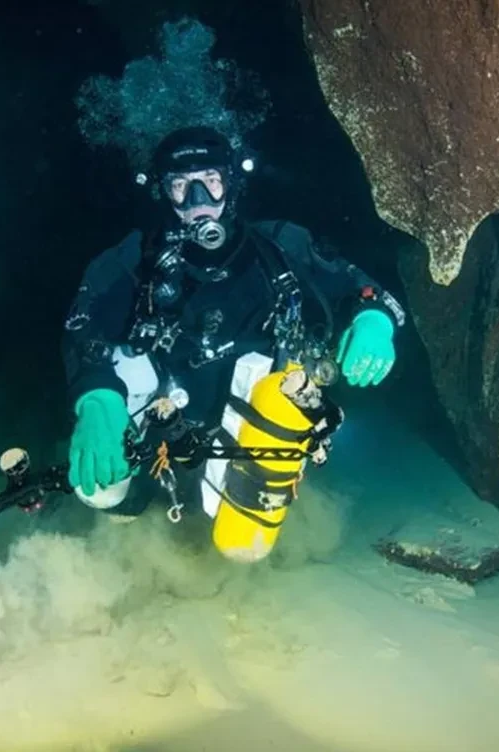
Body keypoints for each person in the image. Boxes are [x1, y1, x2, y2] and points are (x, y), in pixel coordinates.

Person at [59, 126, 406, 560]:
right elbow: (83, 323)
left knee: (244, 548)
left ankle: (230, 513)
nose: (199, 201)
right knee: (102, 493)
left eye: (211, 181)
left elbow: (358, 284)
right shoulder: (133, 258)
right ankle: (135, 498)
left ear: (232, 185)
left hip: (247, 412)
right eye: (181, 186)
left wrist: (373, 318)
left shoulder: (281, 245)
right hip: (164, 410)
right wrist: (96, 398)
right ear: (163, 194)